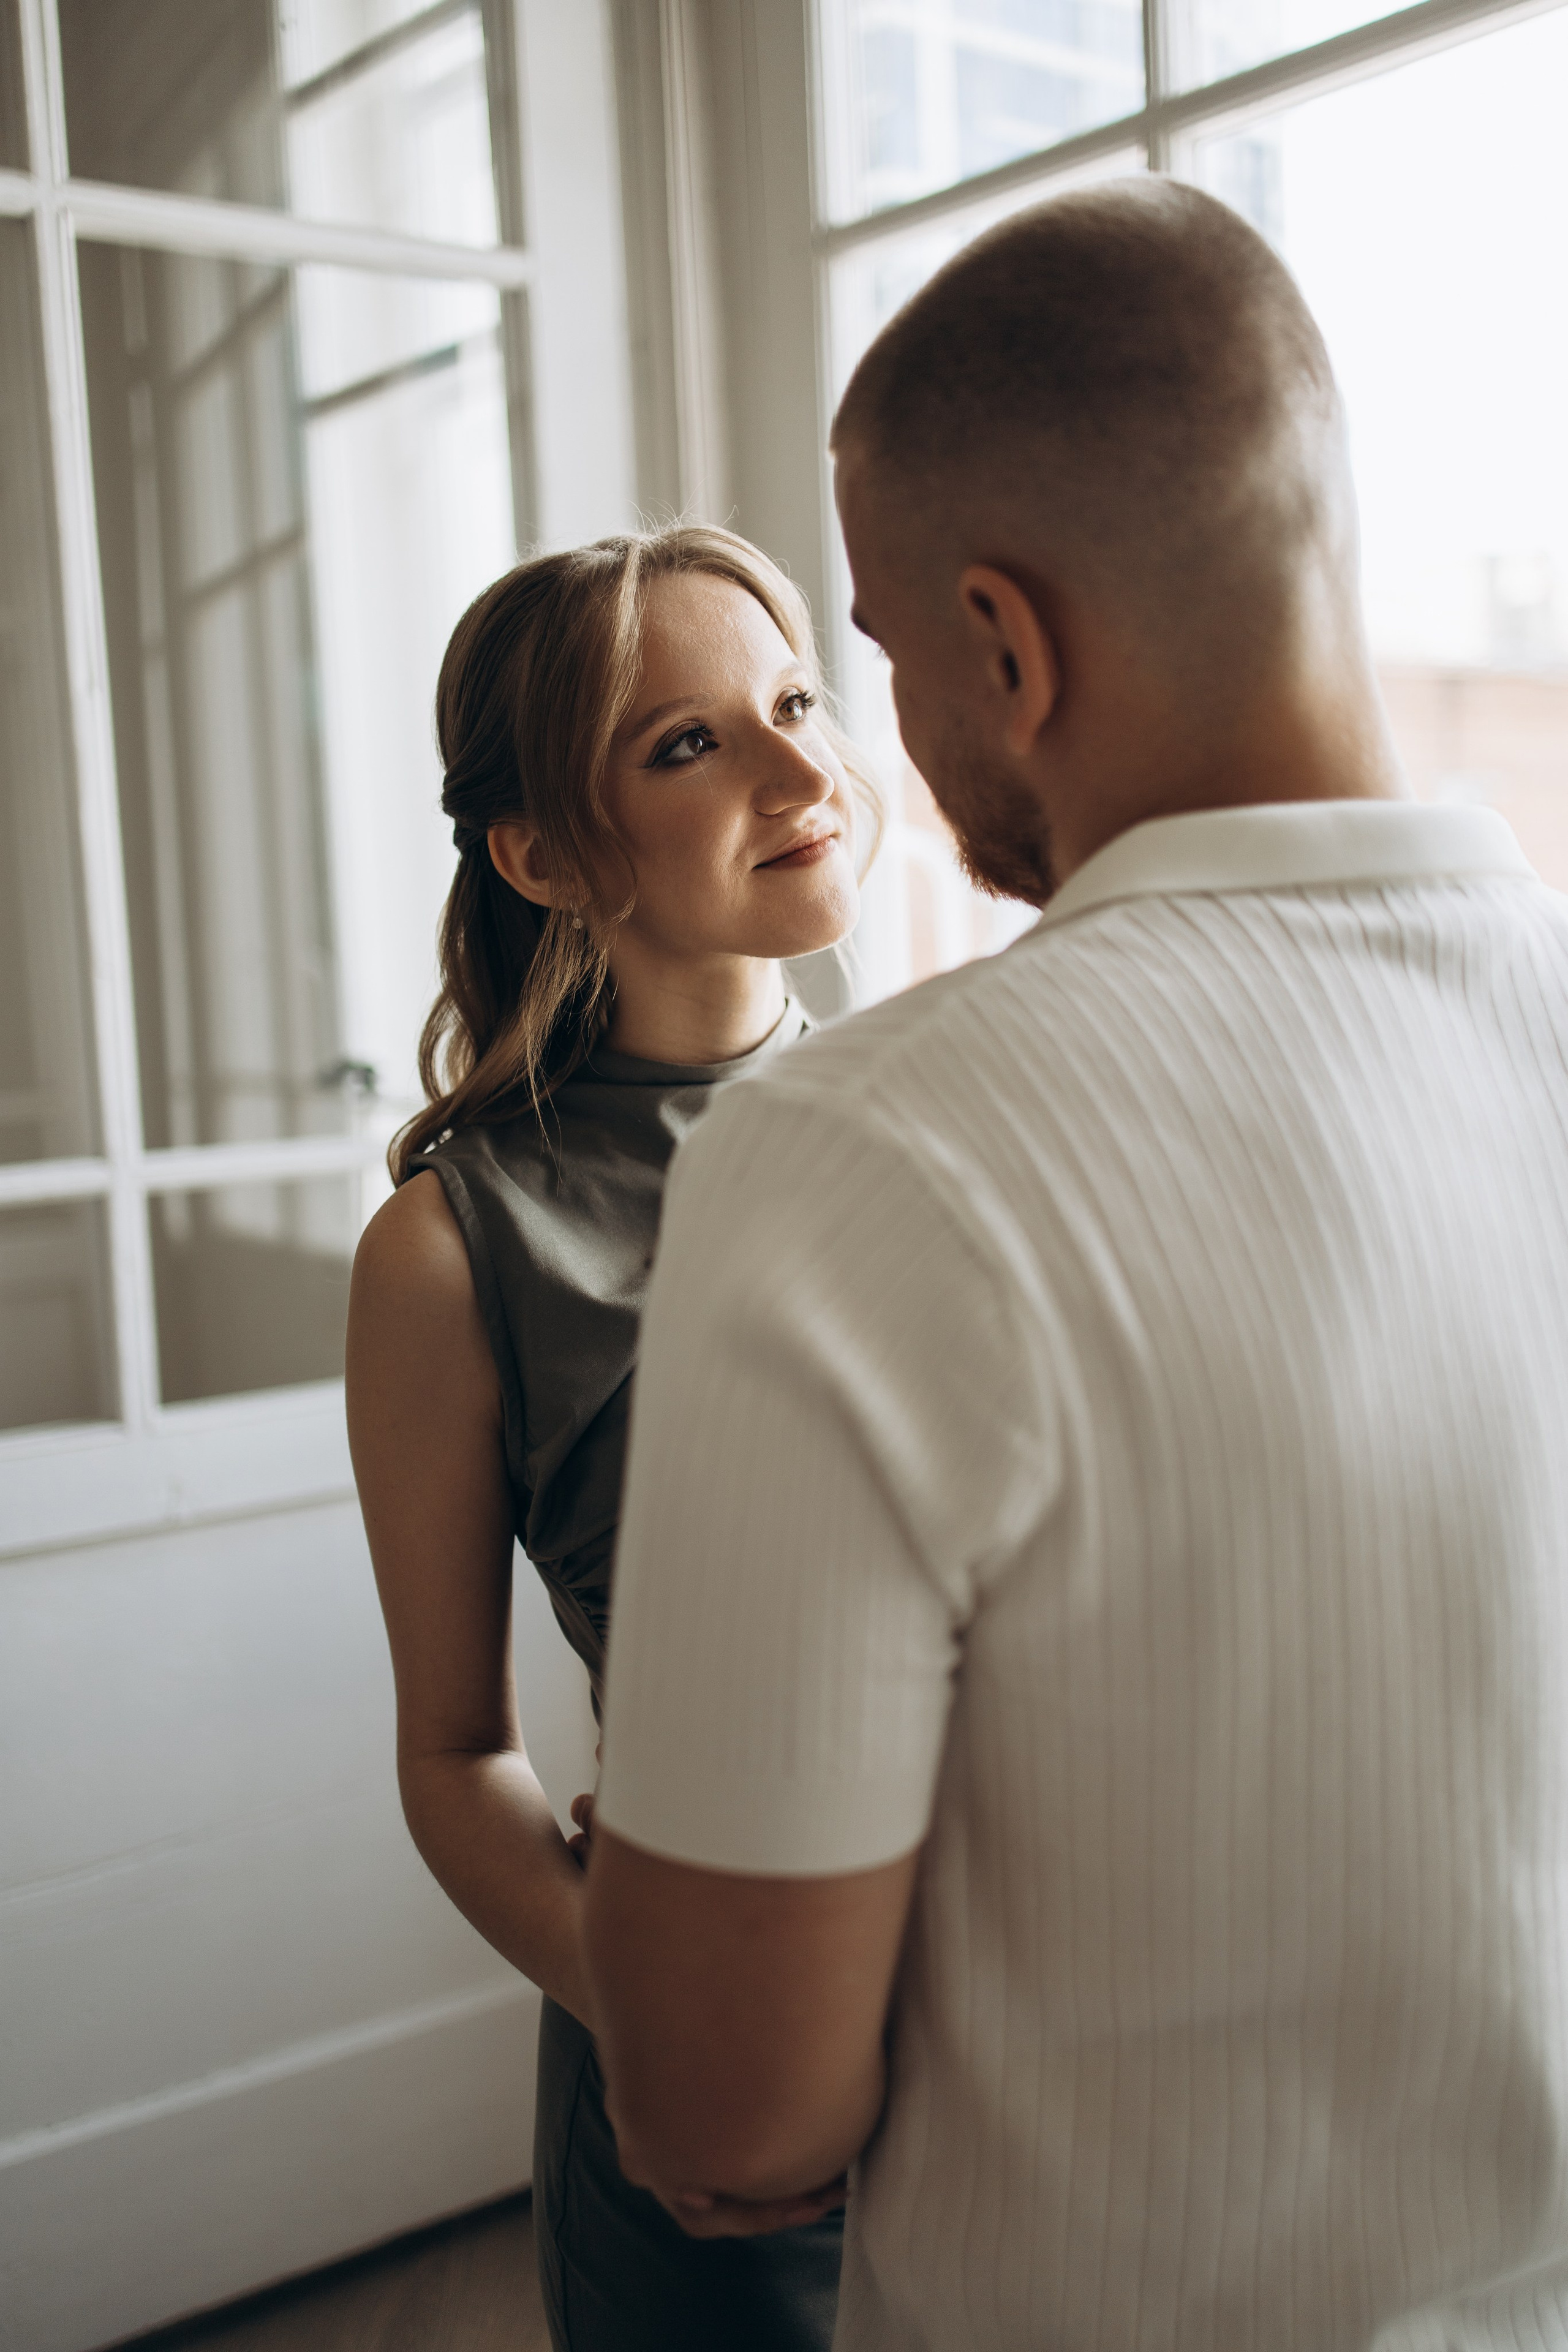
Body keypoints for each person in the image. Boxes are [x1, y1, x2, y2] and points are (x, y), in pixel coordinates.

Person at [582, 179, 1568, 2350]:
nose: (870, 739)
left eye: (882, 650)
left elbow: (732, 2114)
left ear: (1007, 646)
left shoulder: (852, 1158)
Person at [345, 524, 880, 2352]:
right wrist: (659, 2027)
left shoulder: (953, 1123)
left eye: (797, 703)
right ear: (545, 852)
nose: (806, 773)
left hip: (1026, 2046)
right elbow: (452, 1754)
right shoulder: (449, 1248)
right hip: (705, 2131)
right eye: (688, 744)